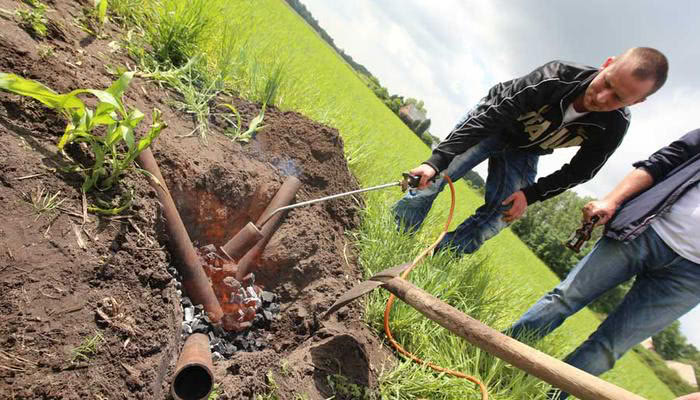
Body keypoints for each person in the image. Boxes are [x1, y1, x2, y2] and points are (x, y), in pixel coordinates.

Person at [393, 47, 668, 255]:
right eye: (607, 83)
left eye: (618, 98)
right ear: (607, 65)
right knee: (435, 178)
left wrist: (529, 194)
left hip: (526, 151)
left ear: (638, 101)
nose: (602, 97)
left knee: (502, 214)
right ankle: (395, 236)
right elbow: (493, 115)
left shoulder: (614, 126)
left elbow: (580, 171)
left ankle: (432, 258)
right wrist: (436, 161)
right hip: (493, 125)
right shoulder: (557, 76)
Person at [508, 129, 700, 399]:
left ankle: (545, 397)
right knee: (564, 298)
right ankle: (490, 354)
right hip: (645, 230)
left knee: (609, 348)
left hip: (692, 278)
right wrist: (611, 200)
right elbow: (660, 162)